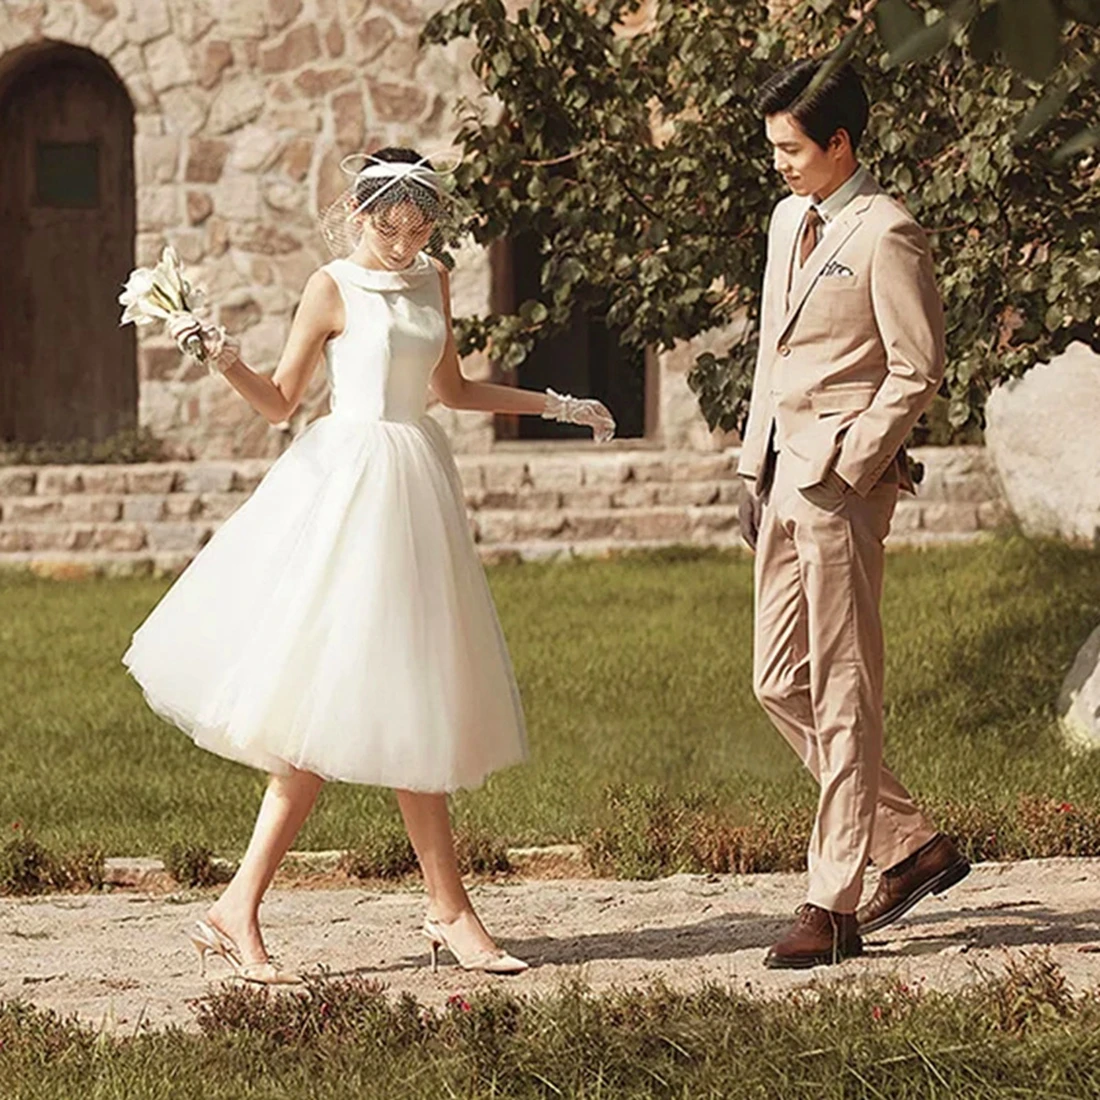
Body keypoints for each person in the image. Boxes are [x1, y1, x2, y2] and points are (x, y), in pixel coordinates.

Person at [122, 147, 616, 983]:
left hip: (415, 491)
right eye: (391, 229)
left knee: (402, 700)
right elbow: (280, 403)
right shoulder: (331, 287)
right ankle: (320, 908)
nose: (405, 245)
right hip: (346, 494)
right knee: (338, 703)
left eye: (420, 229)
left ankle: (389, 908)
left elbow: (450, 393)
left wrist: (557, 404)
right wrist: (221, 356)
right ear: (360, 216)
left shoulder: (435, 278)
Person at [736, 59, 970, 969]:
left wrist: (848, 463)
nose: (780, 165)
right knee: (775, 682)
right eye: (773, 149)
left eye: (792, 149)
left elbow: (917, 368)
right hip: (781, 478)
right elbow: (773, 347)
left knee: (841, 688)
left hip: (841, 486)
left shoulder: (889, 231)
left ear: (841, 143)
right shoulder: (789, 218)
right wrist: (752, 467)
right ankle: (910, 843)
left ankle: (831, 904)